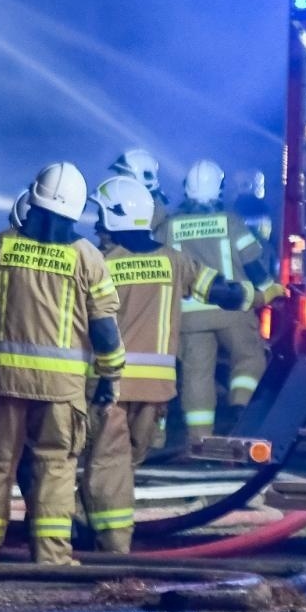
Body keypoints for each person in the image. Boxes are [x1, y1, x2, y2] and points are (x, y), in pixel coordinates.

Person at [0, 162, 124, 565]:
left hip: (1, 382)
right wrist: (110, 374)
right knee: (55, 471)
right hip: (61, 393)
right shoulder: (88, 258)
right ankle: (52, 559)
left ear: (33, 200)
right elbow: (104, 329)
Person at [83, 176, 249, 552]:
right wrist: (254, 293)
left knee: (110, 465)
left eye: (101, 215)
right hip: (157, 390)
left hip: (108, 385)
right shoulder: (175, 261)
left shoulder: (101, 263)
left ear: (115, 217)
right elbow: (225, 292)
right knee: (126, 463)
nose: (96, 224)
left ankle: (112, 548)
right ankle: (107, 534)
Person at [160, 159, 283, 438]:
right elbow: (254, 264)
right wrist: (271, 290)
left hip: (188, 314)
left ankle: (199, 439)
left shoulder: (170, 226)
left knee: (196, 375)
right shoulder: (231, 221)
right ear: (220, 189)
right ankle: (239, 407)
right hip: (232, 310)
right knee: (250, 357)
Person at [110, 149, 171, 230]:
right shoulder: (126, 206)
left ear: (145, 177)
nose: (120, 179)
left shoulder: (154, 213)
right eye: (120, 174)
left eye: (125, 175)